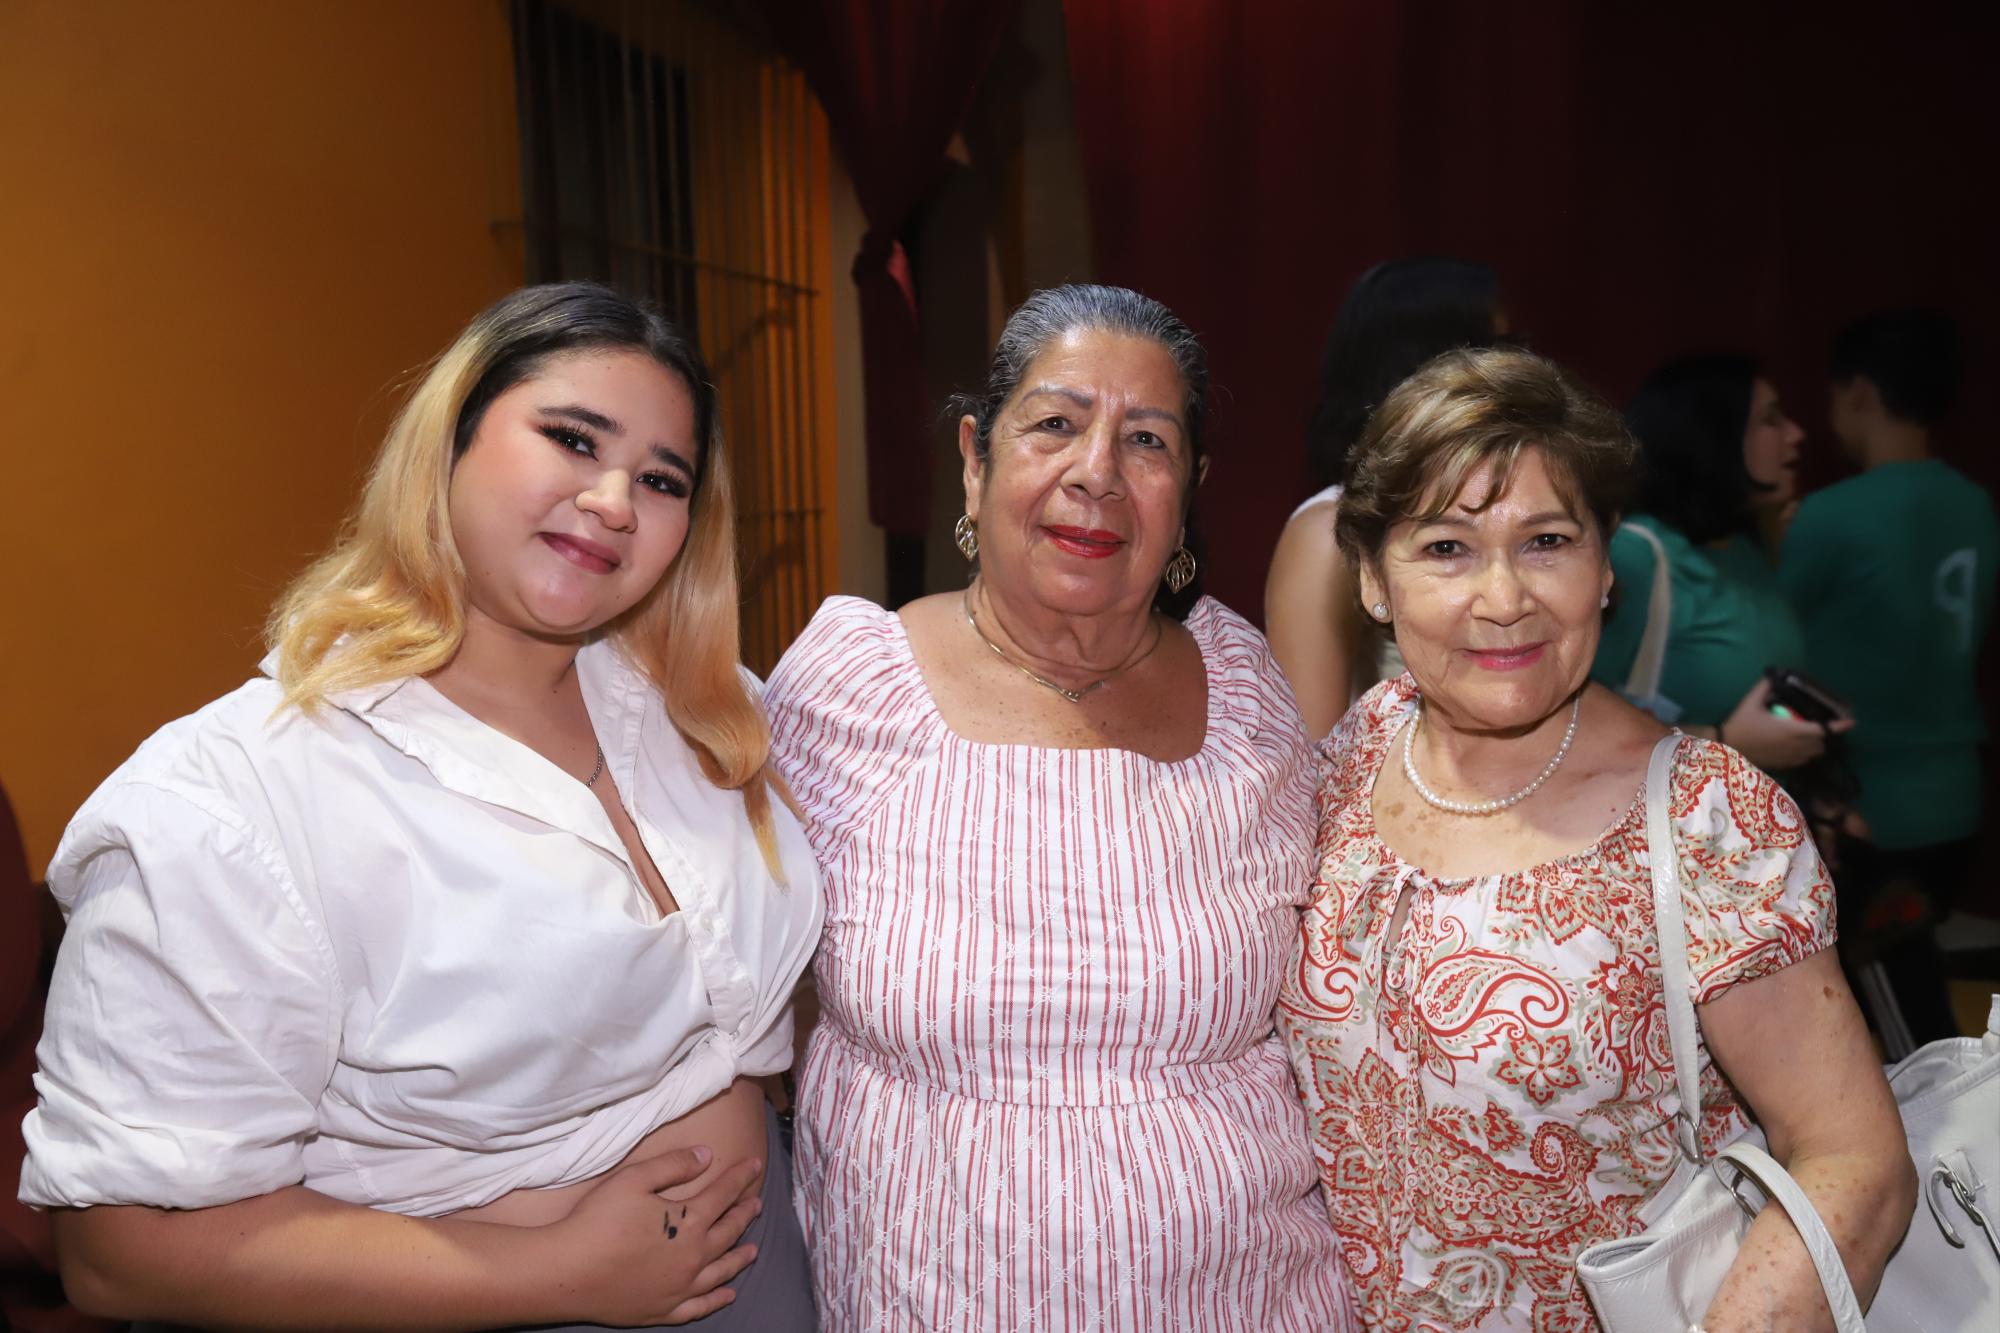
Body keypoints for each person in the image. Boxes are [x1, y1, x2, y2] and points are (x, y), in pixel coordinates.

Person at [19, 284, 824, 1330]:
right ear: (448, 441)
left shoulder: (707, 713)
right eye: (573, 438)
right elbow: (119, 1249)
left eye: (660, 478)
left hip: (768, 1263)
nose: (615, 500)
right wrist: (568, 1273)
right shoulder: (237, 800)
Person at [1278, 347, 1915, 1329]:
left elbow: (1851, 1162)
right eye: (1445, 548)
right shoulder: (1355, 755)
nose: (1503, 598)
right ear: (1371, 580)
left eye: (1544, 540)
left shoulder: (1706, 820)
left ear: (1603, 561)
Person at [765, 285, 1358, 1330]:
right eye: (1053, 424)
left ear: (1189, 489)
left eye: (1146, 442)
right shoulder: (846, 685)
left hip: (1250, 1297)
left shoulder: (1245, 690)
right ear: (973, 455)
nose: (1096, 473)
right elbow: (755, 982)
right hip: (925, 1296)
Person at [1783, 309, 1998, 1045]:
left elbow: (1774, 647)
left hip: (1871, 809)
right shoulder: (1976, 505)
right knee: (1910, 1008)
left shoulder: (1831, 515)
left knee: (1903, 1038)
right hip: (1956, 796)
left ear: (1860, 394)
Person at [1266, 257, 1505, 736]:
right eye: (1502, 348)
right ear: (1442, 362)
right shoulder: (1327, 530)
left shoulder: (1516, 508)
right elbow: (1310, 756)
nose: (1522, 370)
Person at [1590, 355, 1841, 774]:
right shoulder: (1637, 557)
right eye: (1771, 420)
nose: (1796, 435)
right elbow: (1570, 726)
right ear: (1712, 434)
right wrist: (1723, 741)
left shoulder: (1742, 550)